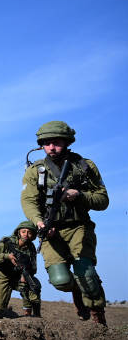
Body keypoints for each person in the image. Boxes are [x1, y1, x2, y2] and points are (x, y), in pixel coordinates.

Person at [21, 121, 109, 325]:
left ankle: (98, 317)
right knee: (61, 281)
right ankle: (81, 288)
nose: (51, 147)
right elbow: (28, 201)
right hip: (50, 231)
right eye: (47, 143)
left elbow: (103, 200)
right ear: (41, 144)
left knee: (85, 272)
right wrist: (39, 223)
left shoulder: (84, 166)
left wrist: (78, 195)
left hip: (79, 227)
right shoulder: (35, 171)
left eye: (56, 142)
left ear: (67, 142)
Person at [0, 221, 41, 317]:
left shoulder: (31, 248)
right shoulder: (7, 242)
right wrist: (7, 256)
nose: (26, 234)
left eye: (29, 232)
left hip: (18, 277)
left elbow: (33, 268)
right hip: (3, 276)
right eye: (23, 231)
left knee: (34, 285)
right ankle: (6, 311)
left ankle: (33, 315)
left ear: (33, 235)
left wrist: (25, 275)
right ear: (18, 232)